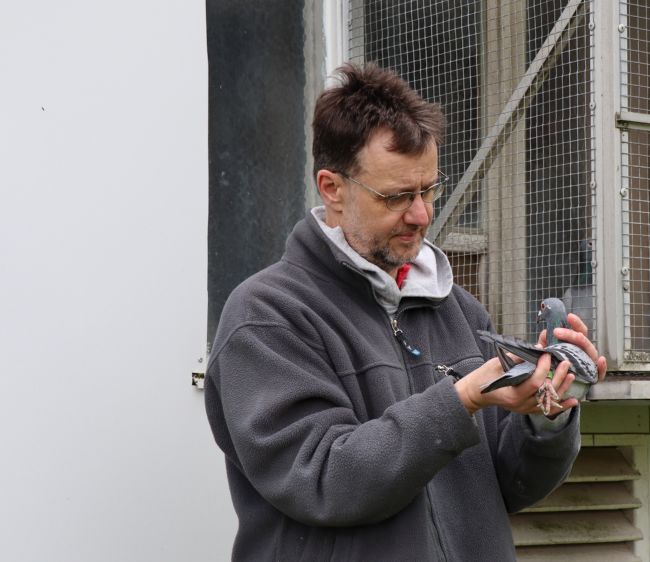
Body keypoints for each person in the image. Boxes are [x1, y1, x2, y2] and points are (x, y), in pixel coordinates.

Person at [204, 62, 607, 561]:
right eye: (396, 196)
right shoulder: (267, 317)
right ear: (332, 189)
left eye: (428, 190)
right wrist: (461, 401)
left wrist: (549, 412)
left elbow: (512, 484)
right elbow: (325, 479)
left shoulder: (460, 311)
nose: (420, 214)